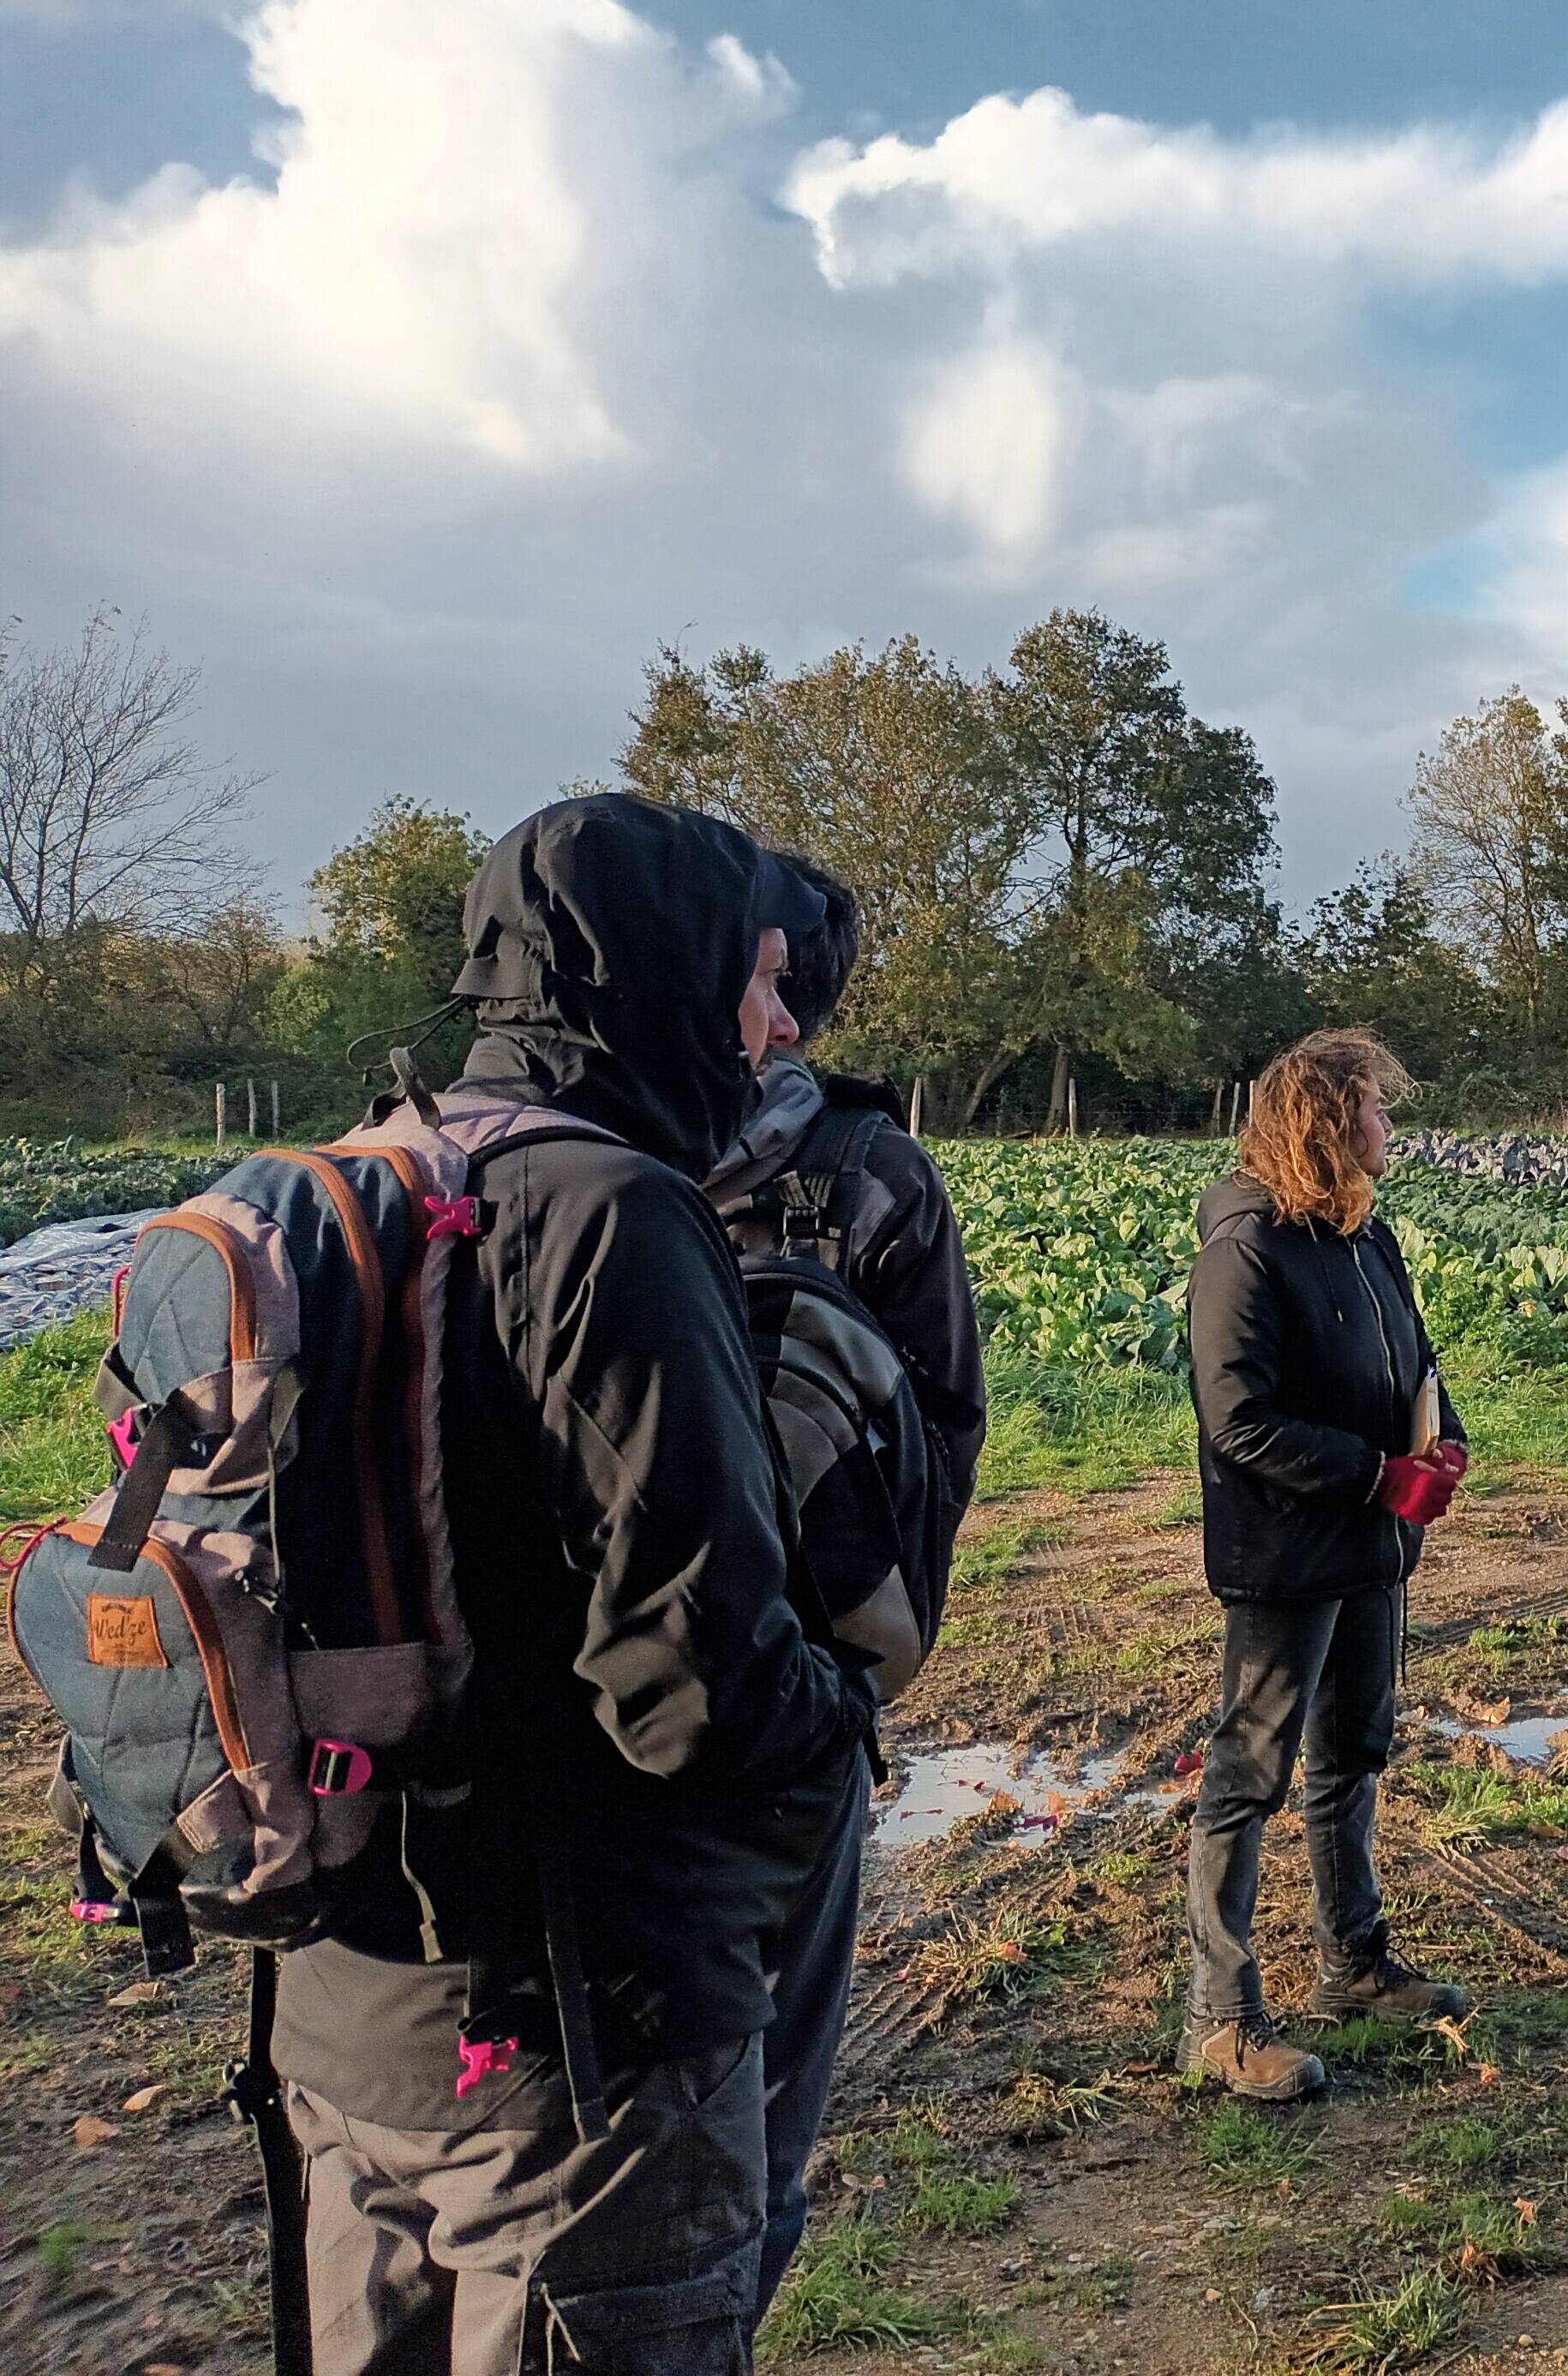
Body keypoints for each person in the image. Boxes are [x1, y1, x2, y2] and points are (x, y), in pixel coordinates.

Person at [272, 794, 874, 2376]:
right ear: (666, 973)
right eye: (760, 979)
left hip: (346, 2007)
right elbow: (700, 1689)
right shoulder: (612, 1213)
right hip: (577, 2056)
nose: (776, 1025)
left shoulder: (359, 1177)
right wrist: (840, 1717)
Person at [700, 853, 987, 2318]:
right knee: (758, 2103)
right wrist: (866, 1661)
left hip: (564, 1702)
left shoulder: (527, 1160)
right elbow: (941, 1429)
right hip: (793, 1685)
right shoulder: (872, 1170)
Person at [1181, 1026, 1471, 2101]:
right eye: (1375, 1110)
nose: (1389, 1125)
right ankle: (1220, 2019)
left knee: (1353, 1753)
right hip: (1288, 1554)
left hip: (1372, 1548)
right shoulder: (1246, 1250)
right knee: (1249, 1774)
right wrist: (1374, 1475)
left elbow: (1417, 1362)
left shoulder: (1365, 1236)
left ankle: (1353, 1964)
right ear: (1326, 1126)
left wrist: (1444, 1444)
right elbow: (1236, 1419)